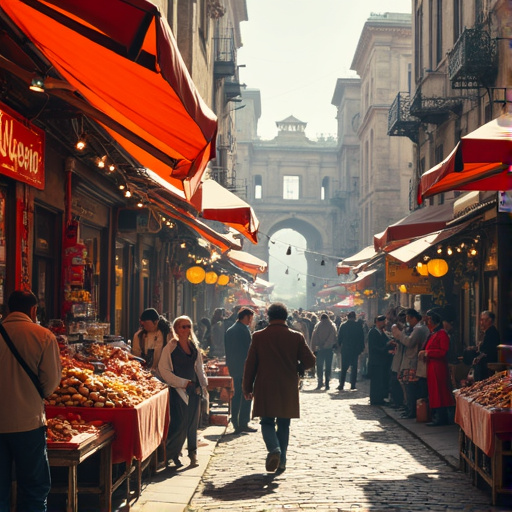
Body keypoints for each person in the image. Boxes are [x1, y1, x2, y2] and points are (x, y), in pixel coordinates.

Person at [0, 290, 62, 512]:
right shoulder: (43, 336)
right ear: (34, 310)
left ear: (8, 309)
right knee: (34, 489)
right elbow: (51, 382)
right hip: (28, 422)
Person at [243, 302, 315, 474]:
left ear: (269, 316)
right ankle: (282, 461)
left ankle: (274, 449)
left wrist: (247, 387)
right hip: (287, 386)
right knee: (284, 424)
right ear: (285, 317)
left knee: (267, 421)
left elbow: (250, 364)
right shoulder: (296, 336)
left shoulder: (259, 336)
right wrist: (298, 367)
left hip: (265, 385)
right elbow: (311, 361)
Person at [158, 316, 208, 467]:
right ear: (176, 329)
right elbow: (164, 370)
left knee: (193, 424)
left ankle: (193, 454)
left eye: (188, 326)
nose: (186, 329)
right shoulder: (171, 348)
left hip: (194, 390)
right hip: (178, 391)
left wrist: (203, 384)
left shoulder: (194, 347)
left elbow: (199, 367)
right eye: (183, 327)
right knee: (180, 424)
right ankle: (171, 454)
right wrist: (182, 383)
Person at [418, 308, 455, 426]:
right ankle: (437, 416)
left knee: (439, 392)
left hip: (438, 366)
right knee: (434, 392)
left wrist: (428, 353)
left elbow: (443, 351)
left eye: (429, 319)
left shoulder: (442, 333)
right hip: (432, 366)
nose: (427, 322)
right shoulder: (433, 333)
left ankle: (441, 417)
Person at [392, 308, 430, 419]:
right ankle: (409, 409)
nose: (407, 321)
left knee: (411, 388)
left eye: (408, 318)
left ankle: (412, 410)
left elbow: (409, 342)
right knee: (408, 388)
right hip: (410, 361)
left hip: (413, 362)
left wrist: (400, 334)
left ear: (413, 318)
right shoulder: (414, 328)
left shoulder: (419, 329)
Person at [224, 308, 257, 434]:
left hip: (234, 367)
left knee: (237, 395)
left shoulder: (231, 330)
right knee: (246, 394)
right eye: (251, 318)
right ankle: (242, 422)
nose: (251, 321)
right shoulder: (243, 330)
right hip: (243, 368)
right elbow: (249, 351)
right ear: (246, 317)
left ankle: (236, 422)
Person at [367, 315, 394, 405]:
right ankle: (375, 399)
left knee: (380, 380)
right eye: (383, 322)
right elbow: (375, 347)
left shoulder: (381, 332)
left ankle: (380, 398)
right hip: (376, 361)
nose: (385, 324)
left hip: (382, 361)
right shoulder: (373, 332)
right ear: (378, 322)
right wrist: (387, 345)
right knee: (376, 381)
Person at [336, 311, 365, 391]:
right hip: (355, 350)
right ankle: (353, 384)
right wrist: (361, 348)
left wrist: (339, 346)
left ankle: (341, 384)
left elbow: (339, 337)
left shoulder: (343, 325)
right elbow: (361, 338)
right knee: (354, 368)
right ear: (354, 317)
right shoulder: (358, 326)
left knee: (344, 368)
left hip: (345, 349)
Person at [310, 313, 337, 390]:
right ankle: (327, 383)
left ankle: (320, 382)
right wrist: (327, 344)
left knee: (319, 366)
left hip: (319, 349)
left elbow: (313, 337)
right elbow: (333, 337)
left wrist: (313, 348)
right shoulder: (332, 325)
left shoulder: (318, 325)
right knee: (328, 367)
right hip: (329, 349)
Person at [472, 311, 500, 381]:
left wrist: (479, 357)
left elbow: (489, 349)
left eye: (483, 320)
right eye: (480, 320)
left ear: (489, 320)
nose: (481, 323)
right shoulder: (486, 332)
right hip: (484, 363)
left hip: (488, 364)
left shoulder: (492, 332)